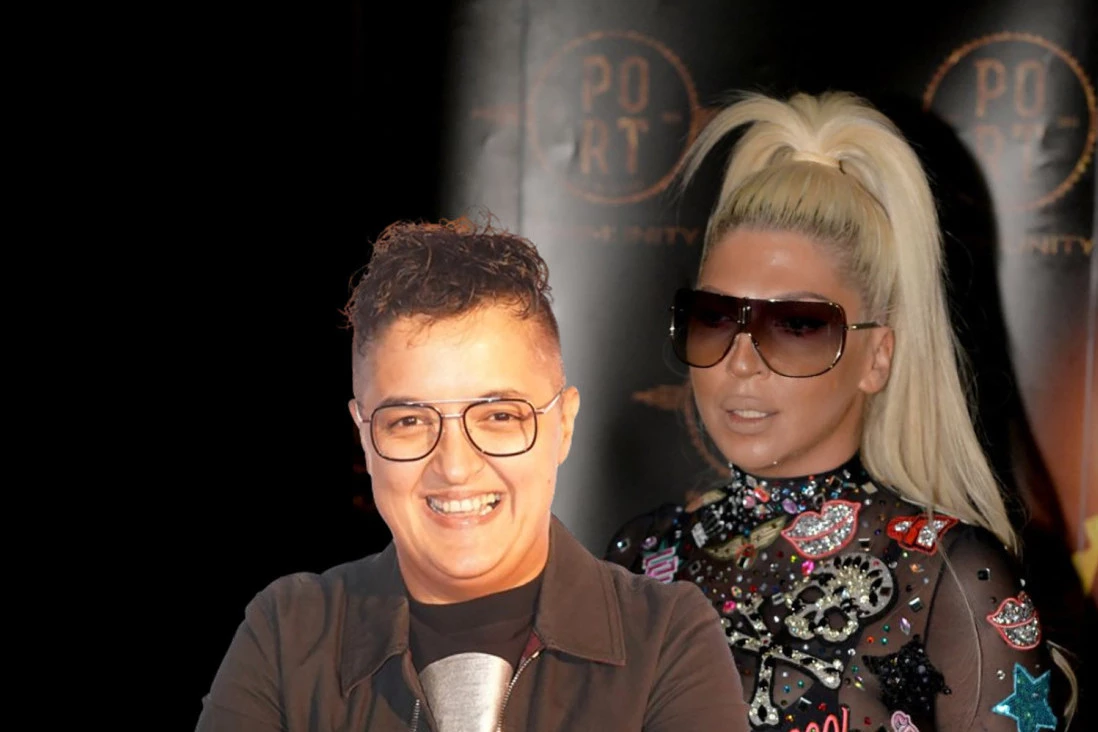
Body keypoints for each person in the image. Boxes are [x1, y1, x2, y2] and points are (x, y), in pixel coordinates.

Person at [604, 91, 1079, 732]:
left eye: (797, 325)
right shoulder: (643, 556)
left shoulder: (945, 579)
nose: (741, 362)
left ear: (877, 357)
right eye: (715, 317)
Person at [196, 217, 749, 731]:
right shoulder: (288, 635)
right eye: (409, 421)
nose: (456, 467)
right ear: (364, 437)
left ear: (563, 425)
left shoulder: (665, 640)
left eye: (499, 416)